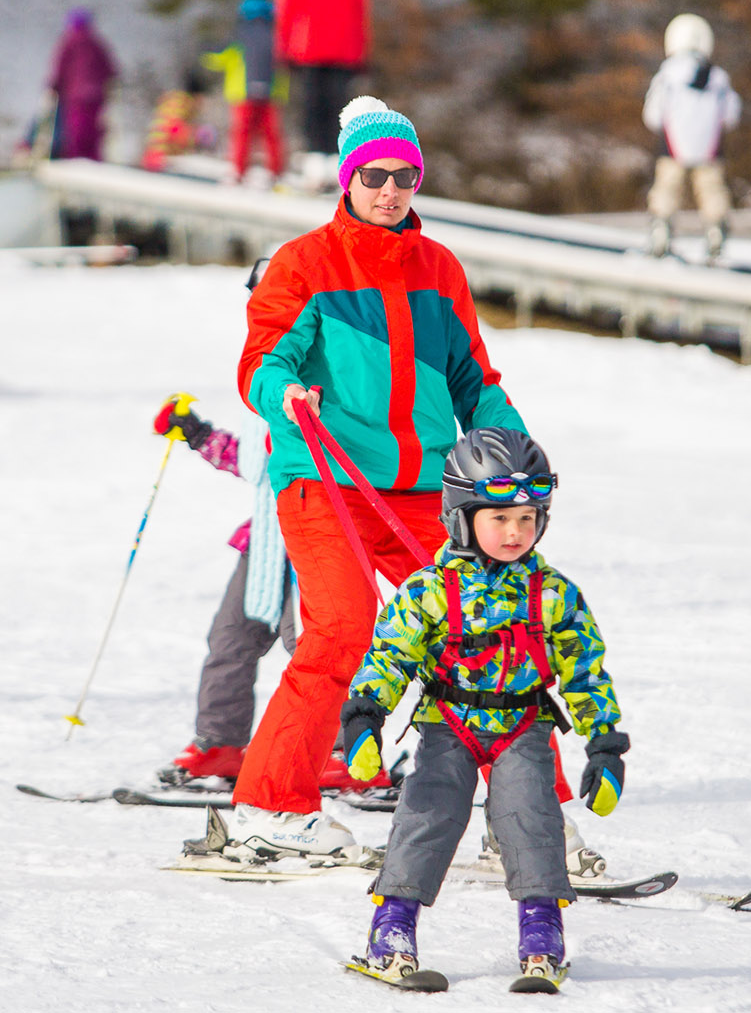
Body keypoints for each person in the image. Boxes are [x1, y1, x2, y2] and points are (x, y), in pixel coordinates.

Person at [227, 96, 528, 856]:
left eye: (405, 175)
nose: (389, 190)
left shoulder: (438, 270)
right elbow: (264, 360)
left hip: (426, 486)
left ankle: (523, 816)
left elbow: (473, 380)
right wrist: (284, 395)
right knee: (342, 623)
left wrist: (515, 449)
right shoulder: (305, 264)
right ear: (348, 179)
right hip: (323, 476)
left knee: (488, 625)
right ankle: (271, 806)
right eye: (374, 175)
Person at [340, 427, 626, 988]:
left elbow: (585, 670)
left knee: (531, 819)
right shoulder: (428, 588)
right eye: (498, 517)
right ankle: (391, 927)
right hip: (449, 723)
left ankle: (542, 930)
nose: (515, 531)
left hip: (522, 724)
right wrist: (365, 716)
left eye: (527, 517)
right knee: (430, 813)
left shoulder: (554, 593)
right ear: (460, 517)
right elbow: (391, 655)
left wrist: (605, 744)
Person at [151, 387, 384, 796]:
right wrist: (196, 433)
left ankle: (346, 753)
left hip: (323, 536)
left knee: (319, 645)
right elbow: (253, 461)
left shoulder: (340, 396)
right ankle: (220, 742)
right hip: (266, 542)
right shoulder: (274, 396)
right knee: (230, 640)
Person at [274, 0, 370, 169]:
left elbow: (286, 11)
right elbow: (288, 10)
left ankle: (327, 163)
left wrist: (284, 50)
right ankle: (321, 162)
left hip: (322, 52)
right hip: (323, 53)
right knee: (323, 109)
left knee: (322, 110)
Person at [642, 13, 741, 262]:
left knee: (666, 188)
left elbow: (653, 115)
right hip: (709, 148)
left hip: (672, 147)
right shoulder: (718, 77)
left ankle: (660, 231)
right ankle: (716, 232)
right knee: (712, 190)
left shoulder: (667, 75)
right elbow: (731, 115)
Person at [203, 0, 287, 184]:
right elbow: (287, 61)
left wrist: (205, 53)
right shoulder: (278, 36)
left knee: (242, 134)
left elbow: (219, 57)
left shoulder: (239, 35)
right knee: (272, 135)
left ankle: (238, 172)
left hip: (242, 93)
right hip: (272, 93)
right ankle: (276, 173)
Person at [45, 8, 117, 162]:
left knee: (76, 133)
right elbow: (111, 69)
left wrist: (53, 87)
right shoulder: (96, 43)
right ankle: (94, 161)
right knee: (93, 132)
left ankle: (76, 161)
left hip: (75, 97)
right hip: (96, 96)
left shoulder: (68, 43)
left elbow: (60, 68)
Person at [139, 70, 206, 173]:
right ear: (197, 96)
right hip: (161, 160)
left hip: (152, 156)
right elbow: (174, 129)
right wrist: (193, 138)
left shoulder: (174, 100)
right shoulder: (182, 105)